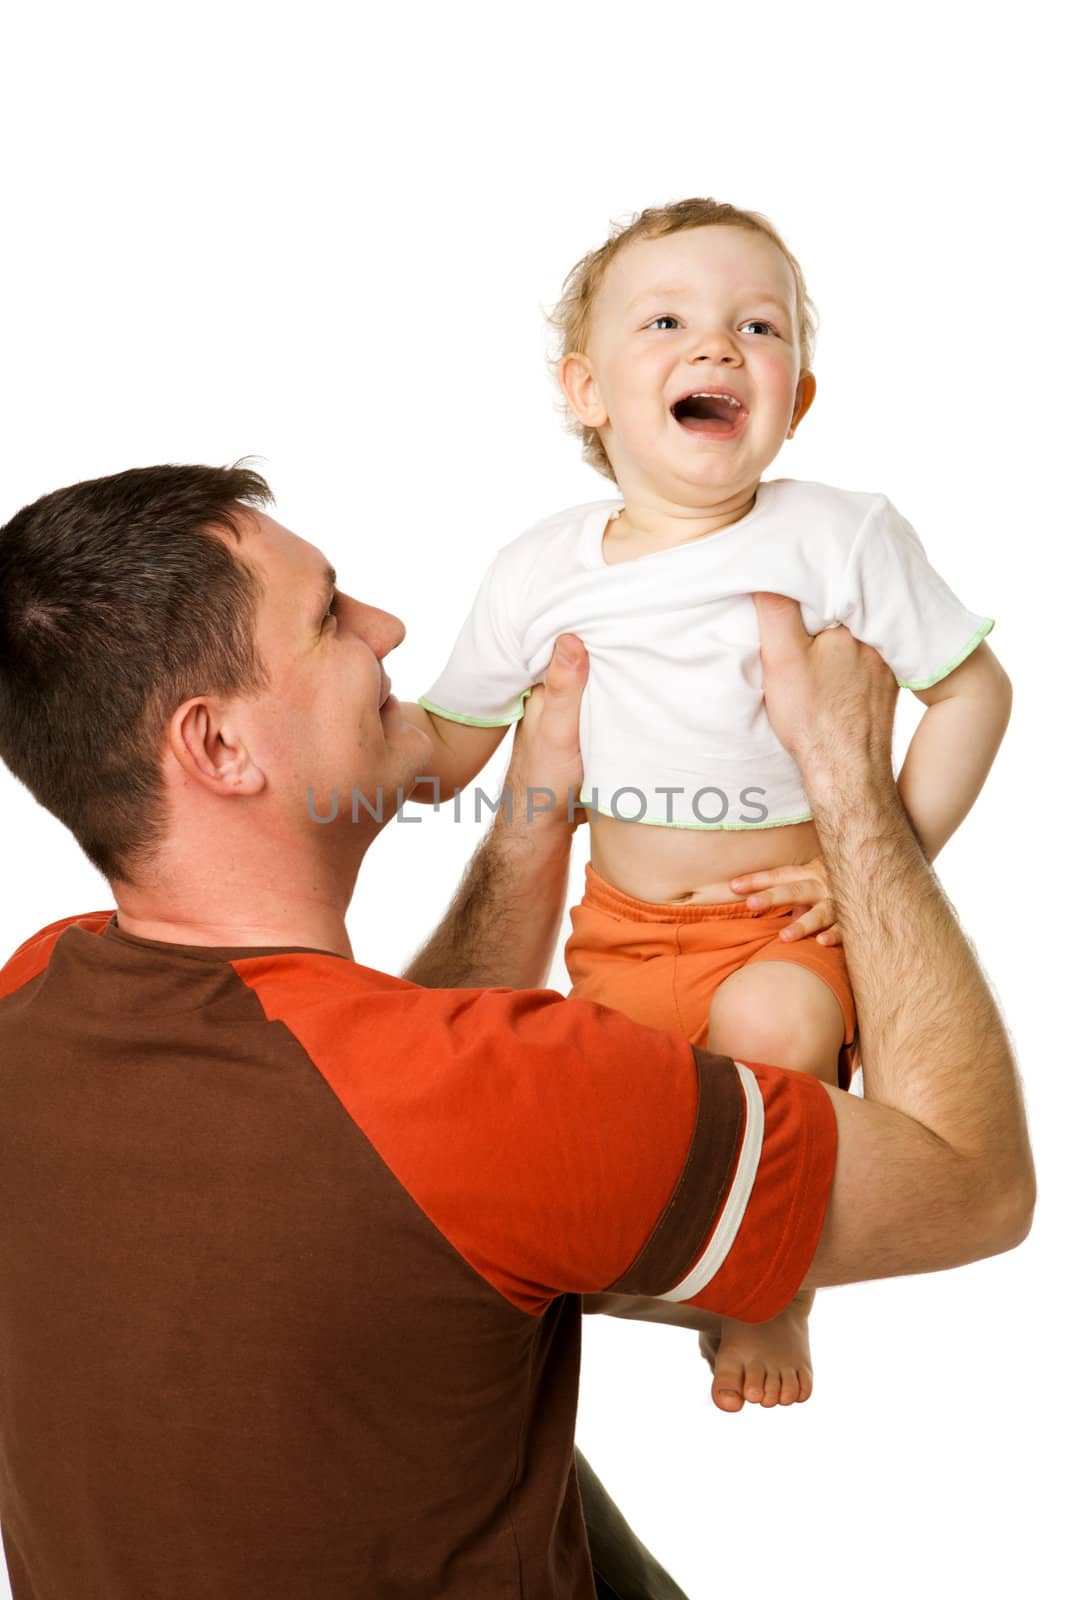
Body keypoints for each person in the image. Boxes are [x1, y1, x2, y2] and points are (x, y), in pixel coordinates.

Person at [0, 463, 1032, 1600]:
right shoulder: (497, 1100)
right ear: (219, 748)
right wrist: (844, 775)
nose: (388, 629)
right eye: (331, 617)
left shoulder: (33, 997)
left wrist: (536, 803)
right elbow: (971, 1186)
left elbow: (375, 1113)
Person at [408, 196, 1013, 1410]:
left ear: (795, 399)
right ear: (586, 391)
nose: (718, 347)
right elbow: (448, 737)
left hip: (775, 927)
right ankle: (623, 1284)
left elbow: (973, 694)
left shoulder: (836, 536)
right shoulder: (540, 570)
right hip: (620, 933)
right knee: (595, 1129)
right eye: (668, 321)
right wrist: (350, 775)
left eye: (758, 326)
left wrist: (871, 866)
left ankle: (765, 1289)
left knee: (781, 1039)